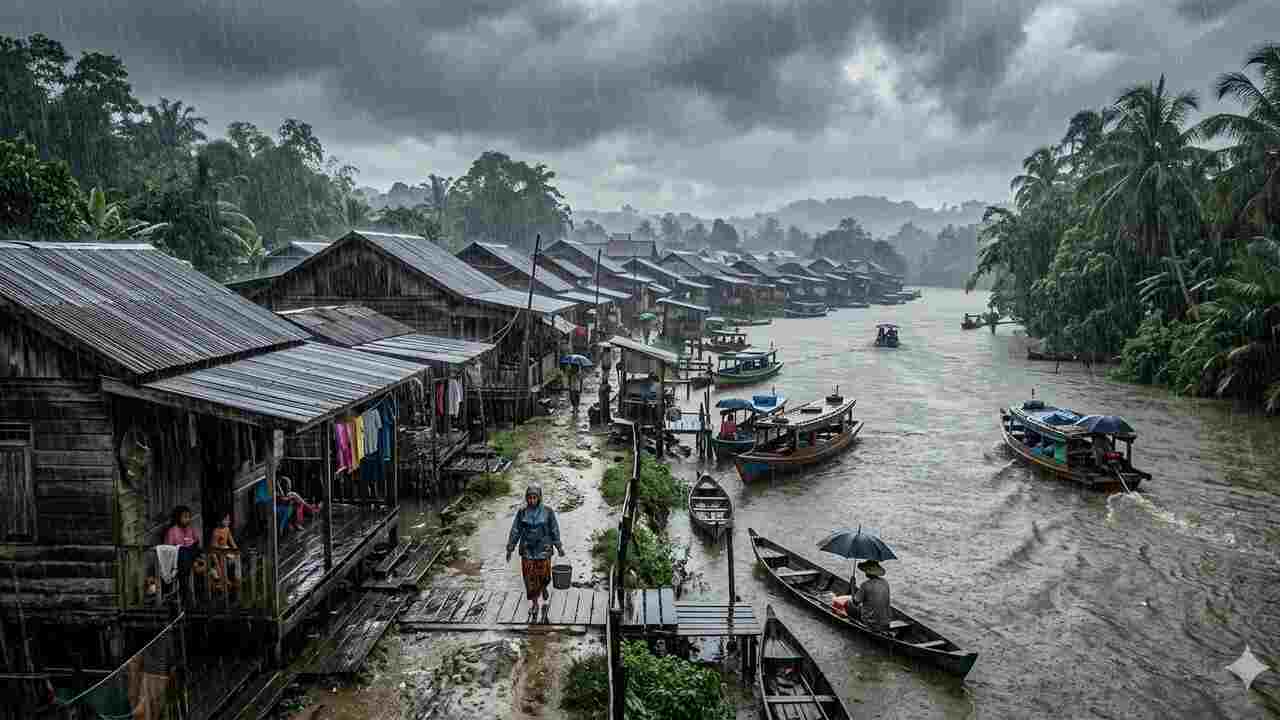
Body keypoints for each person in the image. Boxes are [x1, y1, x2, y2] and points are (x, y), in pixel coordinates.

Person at [506, 484, 564, 620]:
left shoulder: (548, 512)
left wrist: (559, 546)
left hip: (544, 548)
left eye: (534, 498)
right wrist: (510, 548)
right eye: (529, 498)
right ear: (526, 498)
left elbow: (554, 529)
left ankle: (544, 587)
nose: (532, 500)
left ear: (539, 498)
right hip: (527, 549)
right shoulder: (522, 512)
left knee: (545, 575)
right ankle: (535, 603)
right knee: (529, 578)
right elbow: (516, 530)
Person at [850, 560, 891, 633]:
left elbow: (855, 602)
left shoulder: (865, 585)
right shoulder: (885, 582)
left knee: (848, 604)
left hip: (871, 623)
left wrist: (852, 587)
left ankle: (859, 625)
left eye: (866, 570)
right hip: (886, 622)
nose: (865, 572)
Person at [209, 512, 239, 591]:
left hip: (226, 549)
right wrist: (217, 561)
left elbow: (231, 541)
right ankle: (224, 580)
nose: (229, 521)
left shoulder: (227, 529)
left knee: (235, 559)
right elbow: (213, 548)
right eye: (226, 520)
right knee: (223, 561)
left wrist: (236, 550)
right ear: (220, 520)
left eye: (229, 519)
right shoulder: (216, 532)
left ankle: (234, 579)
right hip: (218, 551)